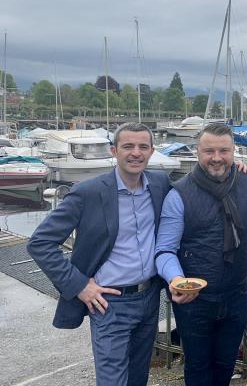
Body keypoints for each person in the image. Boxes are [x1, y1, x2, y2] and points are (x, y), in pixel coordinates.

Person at [27, 123, 172, 386]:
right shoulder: (88, 192)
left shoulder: (160, 183)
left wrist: (237, 172)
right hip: (110, 303)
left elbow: (196, 188)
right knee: (112, 380)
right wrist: (80, 285)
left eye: (143, 147)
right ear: (114, 151)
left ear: (152, 151)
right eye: (128, 146)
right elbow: (40, 243)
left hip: (150, 297)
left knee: (138, 377)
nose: (135, 153)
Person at [155, 123, 247, 386]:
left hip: (236, 295)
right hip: (195, 300)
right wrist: (176, 278)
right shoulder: (179, 194)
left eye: (223, 150)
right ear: (197, 153)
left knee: (225, 366)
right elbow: (165, 250)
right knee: (199, 369)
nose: (216, 157)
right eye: (208, 151)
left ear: (234, 151)